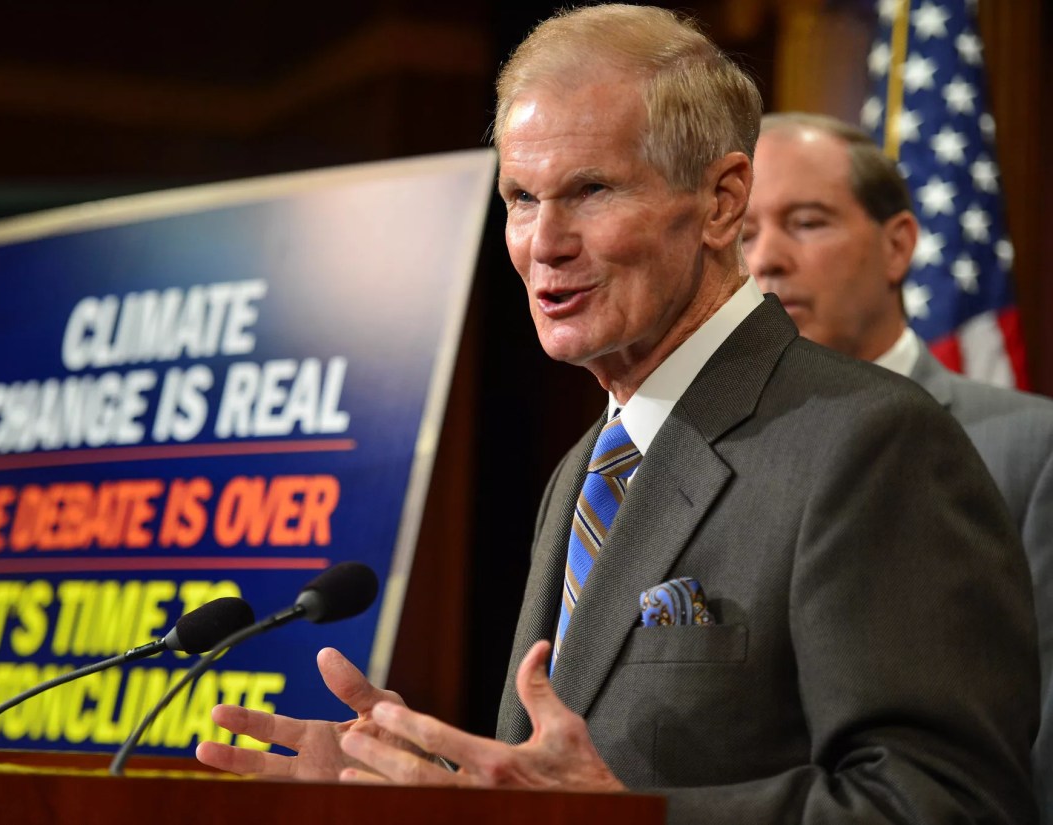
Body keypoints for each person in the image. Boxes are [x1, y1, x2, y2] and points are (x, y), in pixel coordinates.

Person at [197, 6, 1040, 822]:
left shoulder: (871, 442)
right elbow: (569, 775)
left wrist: (627, 817)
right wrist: (437, 786)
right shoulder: (588, 466)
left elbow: (947, 802)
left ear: (720, 201)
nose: (544, 242)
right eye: (521, 198)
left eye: (590, 190)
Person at [744, 110, 1053, 823]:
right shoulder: (714, 452)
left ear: (897, 245)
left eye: (808, 221)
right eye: (744, 232)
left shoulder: (1029, 450)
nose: (767, 259)